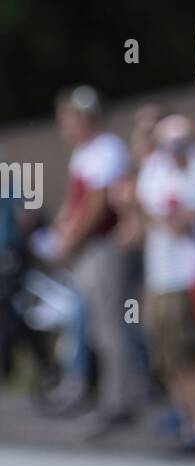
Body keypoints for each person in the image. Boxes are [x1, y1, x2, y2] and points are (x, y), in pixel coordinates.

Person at [48, 86, 142, 434]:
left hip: (103, 249)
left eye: (67, 119)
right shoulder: (86, 153)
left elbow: (96, 204)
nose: (63, 126)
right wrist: (63, 230)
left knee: (110, 326)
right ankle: (110, 396)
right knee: (96, 326)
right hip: (90, 250)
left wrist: (68, 240)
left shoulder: (105, 150)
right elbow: (76, 203)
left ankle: (120, 401)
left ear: (84, 118)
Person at [136, 114, 195, 452]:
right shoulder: (154, 167)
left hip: (190, 278)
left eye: (178, 144)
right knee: (167, 359)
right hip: (160, 276)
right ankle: (186, 424)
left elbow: (185, 222)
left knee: (192, 358)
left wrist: (162, 214)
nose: (173, 151)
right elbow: (155, 211)